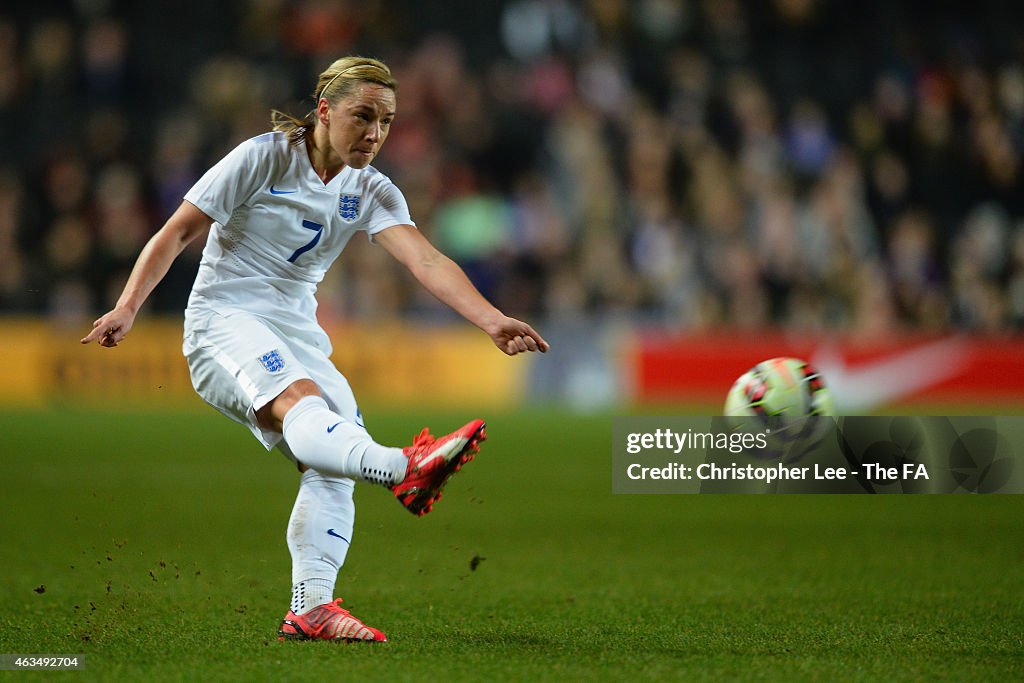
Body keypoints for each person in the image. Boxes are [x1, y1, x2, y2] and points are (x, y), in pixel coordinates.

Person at [81, 55, 549, 643]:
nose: (375, 133)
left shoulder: (370, 188)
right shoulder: (263, 156)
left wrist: (491, 319)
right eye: (363, 116)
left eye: (386, 121)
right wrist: (127, 306)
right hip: (224, 319)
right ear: (324, 112)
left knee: (331, 467)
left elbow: (424, 259)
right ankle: (404, 468)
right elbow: (178, 229)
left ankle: (312, 609)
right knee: (305, 405)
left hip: (296, 330)